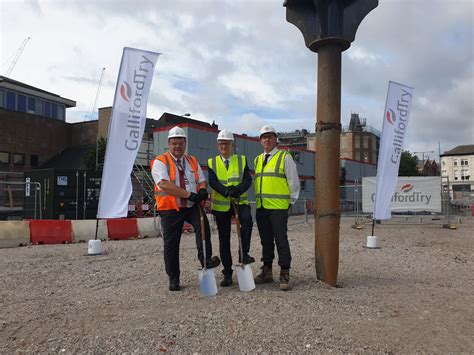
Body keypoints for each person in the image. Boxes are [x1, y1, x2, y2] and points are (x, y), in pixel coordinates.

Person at [151, 126, 220, 291]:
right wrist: (188, 194)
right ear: (169, 143)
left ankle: (205, 261)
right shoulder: (160, 162)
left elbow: (201, 179)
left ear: (185, 143)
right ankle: (173, 278)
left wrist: (202, 190)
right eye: (174, 143)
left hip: (191, 206)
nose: (177, 147)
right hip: (170, 209)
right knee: (171, 244)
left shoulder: (192, 161)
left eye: (180, 143)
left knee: (203, 228)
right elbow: (165, 184)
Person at [253, 125, 300, 291]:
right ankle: (267, 271)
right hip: (262, 207)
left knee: (281, 240)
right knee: (266, 241)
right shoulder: (258, 160)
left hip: (279, 208)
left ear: (275, 139)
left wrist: (290, 202)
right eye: (264, 137)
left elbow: (293, 181)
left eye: (270, 136)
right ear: (260, 141)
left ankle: (284, 271)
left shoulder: (284, 157)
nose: (267, 139)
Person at [207, 129, 255, 287]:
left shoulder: (241, 160)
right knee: (224, 240)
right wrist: (226, 191)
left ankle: (244, 254)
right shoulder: (212, 162)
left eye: (226, 144)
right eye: (221, 144)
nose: (223, 146)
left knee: (247, 220)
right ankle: (227, 273)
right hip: (221, 206)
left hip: (240, 201)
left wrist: (238, 189)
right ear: (217, 145)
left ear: (232, 145)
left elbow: (247, 180)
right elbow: (213, 182)